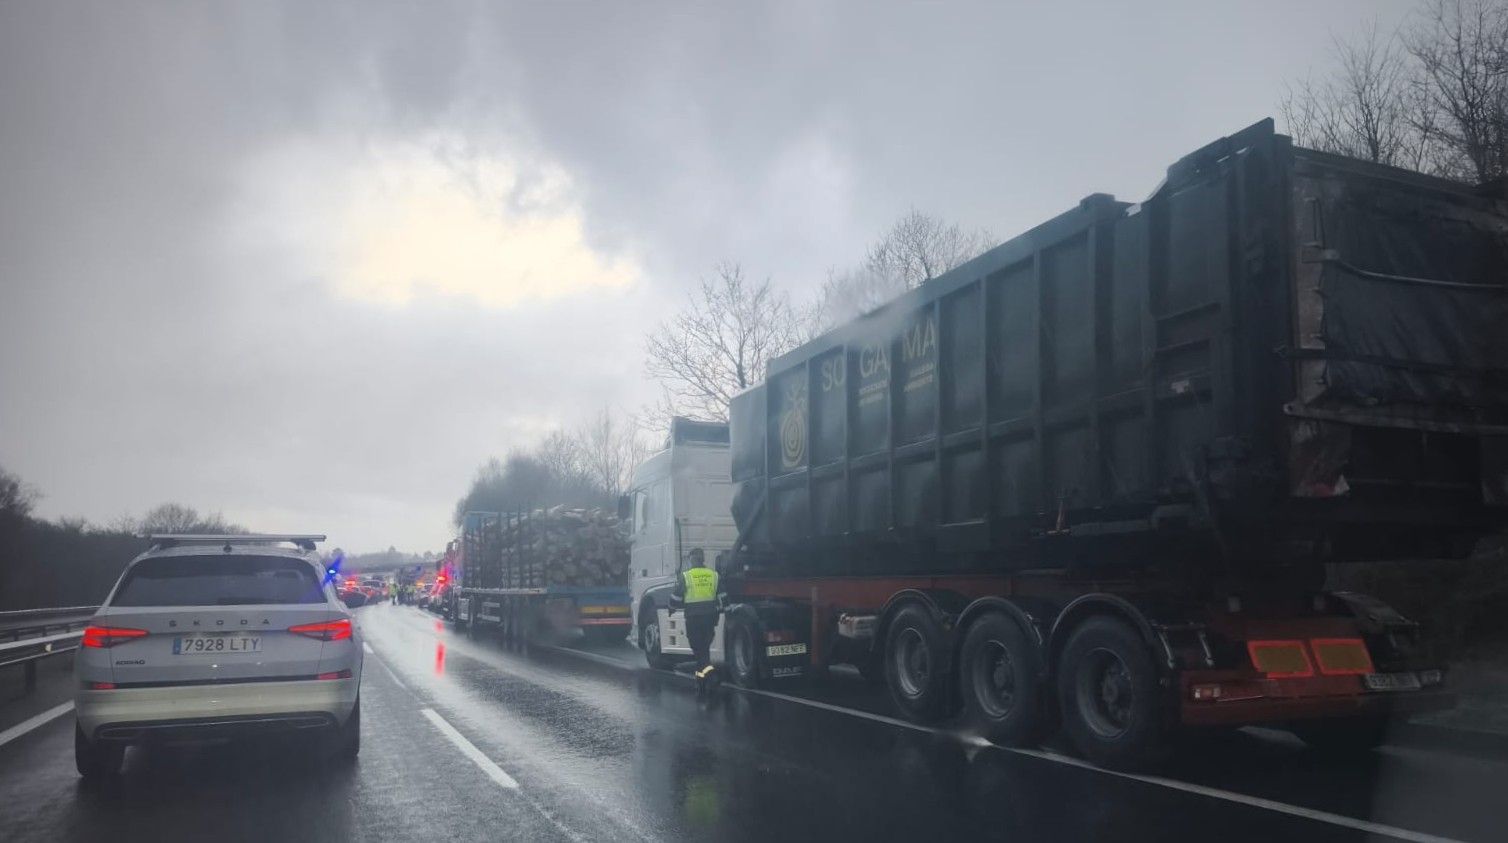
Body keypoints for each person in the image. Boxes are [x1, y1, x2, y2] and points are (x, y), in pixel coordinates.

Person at [670, 548, 720, 696]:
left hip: (694, 618)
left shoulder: (687, 576)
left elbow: (677, 596)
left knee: (697, 648)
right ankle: (701, 681)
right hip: (710, 617)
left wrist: (671, 608)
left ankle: (711, 674)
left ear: (692, 559)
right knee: (704, 649)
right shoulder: (713, 575)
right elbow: (722, 595)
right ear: (702, 559)